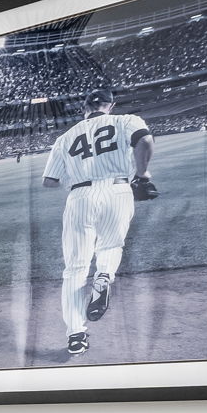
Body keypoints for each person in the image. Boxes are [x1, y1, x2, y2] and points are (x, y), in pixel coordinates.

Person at [41, 88, 155, 355]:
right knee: (111, 246)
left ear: (85, 106)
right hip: (118, 189)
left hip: (80, 195)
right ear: (110, 105)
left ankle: (76, 336)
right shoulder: (126, 120)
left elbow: (49, 181)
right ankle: (104, 276)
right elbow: (145, 141)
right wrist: (143, 174)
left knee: (74, 269)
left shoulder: (65, 137)